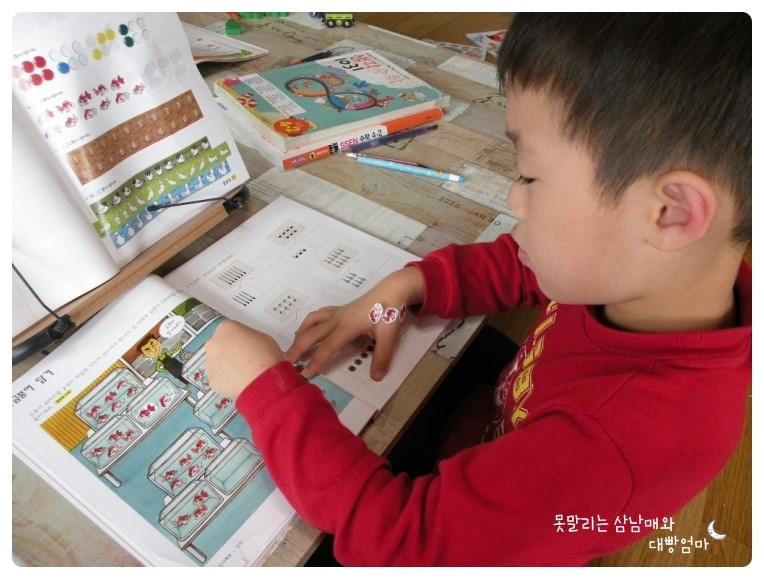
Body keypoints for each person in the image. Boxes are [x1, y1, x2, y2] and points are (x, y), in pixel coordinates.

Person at [204, 13, 751, 566]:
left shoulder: (615, 451)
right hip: (492, 432)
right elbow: (523, 266)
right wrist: (407, 284)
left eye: (530, 176)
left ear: (670, 212)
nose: (514, 199)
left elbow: (402, 544)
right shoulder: (664, 276)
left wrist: (264, 389)